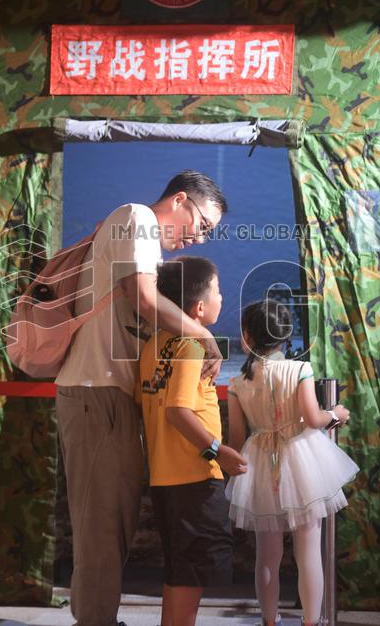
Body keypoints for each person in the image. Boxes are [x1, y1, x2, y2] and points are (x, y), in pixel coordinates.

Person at [54, 170, 228, 626]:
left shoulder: (147, 242)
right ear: (181, 200)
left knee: (115, 524)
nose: (200, 238)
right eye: (204, 225)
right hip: (95, 392)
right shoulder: (136, 219)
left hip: (113, 396)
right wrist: (204, 336)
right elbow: (145, 300)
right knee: (101, 528)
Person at [225, 299, 359, 626]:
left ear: (247, 337)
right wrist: (336, 415)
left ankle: (270, 622)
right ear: (287, 335)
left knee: (266, 555)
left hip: (259, 462)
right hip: (301, 460)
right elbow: (313, 419)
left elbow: (237, 439)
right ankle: (310, 622)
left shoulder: (238, 382)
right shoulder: (300, 369)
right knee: (308, 550)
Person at [136, 256, 248, 626]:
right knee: (192, 576)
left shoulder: (153, 346)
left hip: (165, 479)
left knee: (180, 573)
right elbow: (177, 412)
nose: (223, 296)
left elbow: (148, 403)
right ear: (199, 307)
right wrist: (220, 451)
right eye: (218, 291)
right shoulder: (191, 347)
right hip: (195, 478)